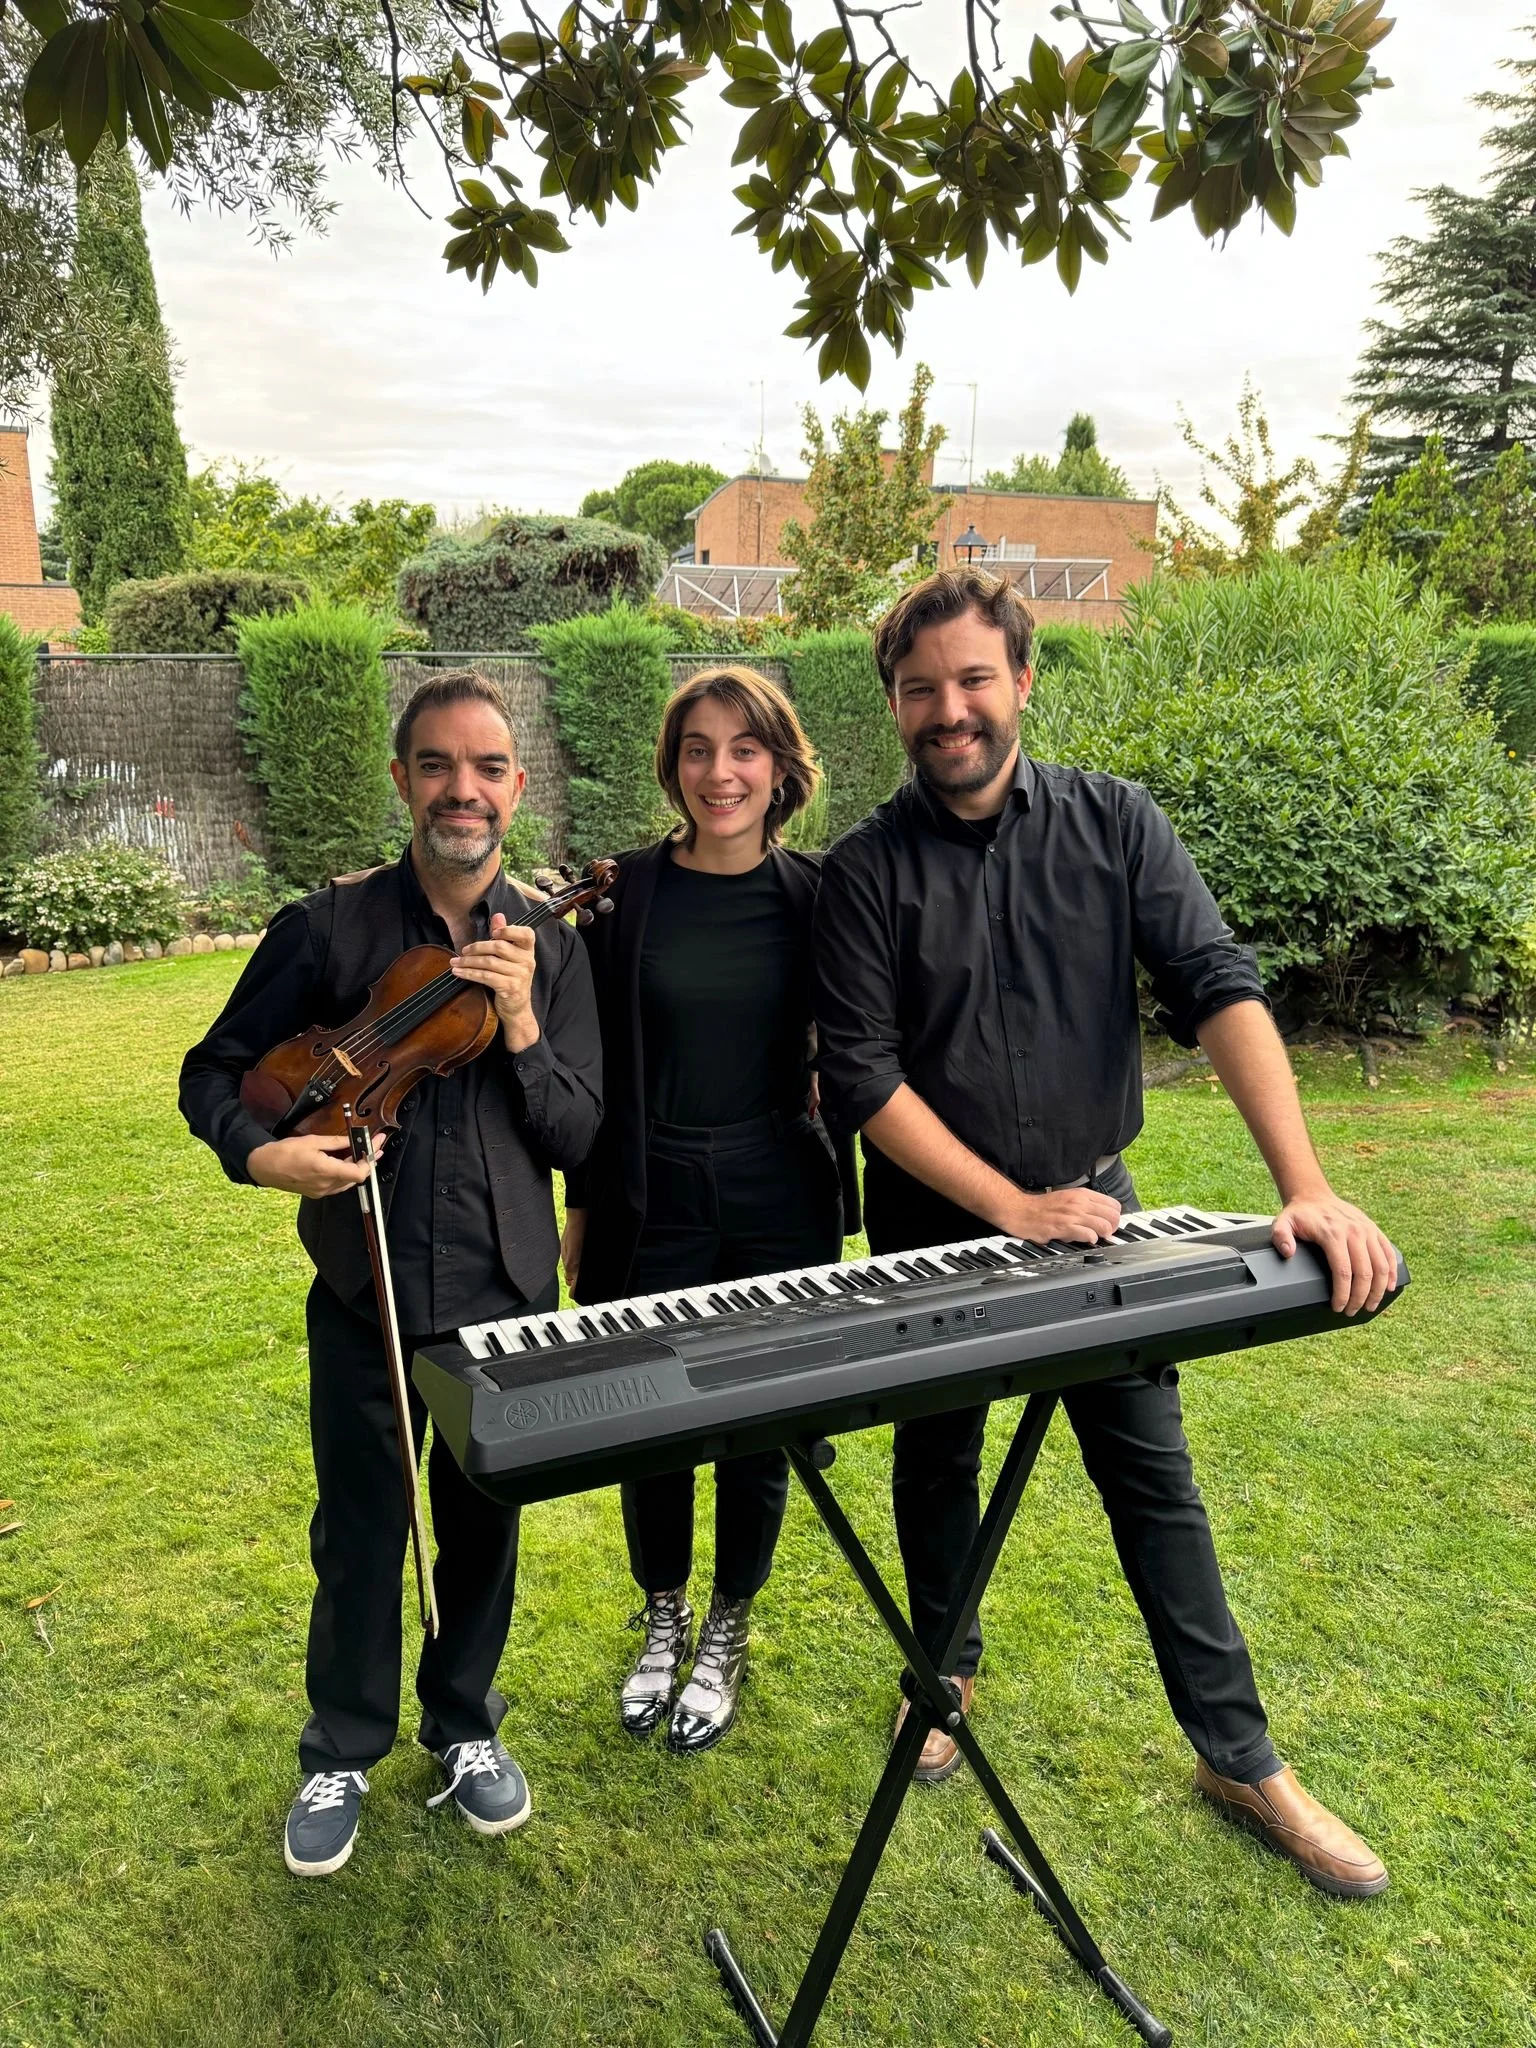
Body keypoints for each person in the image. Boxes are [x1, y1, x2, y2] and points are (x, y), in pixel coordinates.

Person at [812, 568, 1397, 1900]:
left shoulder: (1117, 825)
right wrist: (1006, 1210)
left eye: (972, 680)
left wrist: (1302, 1182)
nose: (949, 710)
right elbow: (862, 1078)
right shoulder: (861, 873)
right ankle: (941, 1680)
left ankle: (1240, 1758)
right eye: (921, 690)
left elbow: (1220, 988)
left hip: (1097, 1211)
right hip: (935, 1227)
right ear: (894, 705)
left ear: (1021, 681)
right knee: (937, 1459)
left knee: (1151, 1477)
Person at [180, 670, 602, 1877]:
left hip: (508, 1290)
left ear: (517, 787)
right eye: (436, 764)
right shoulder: (326, 929)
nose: (460, 789)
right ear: (403, 777)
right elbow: (219, 1073)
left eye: (485, 767)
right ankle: (344, 1743)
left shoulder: (551, 948)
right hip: (365, 1289)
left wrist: (519, 1023)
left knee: (481, 1523)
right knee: (363, 1525)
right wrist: (263, 1153)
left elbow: (579, 1132)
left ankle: (464, 1722)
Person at [562, 666, 856, 1755]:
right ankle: (664, 1606)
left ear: (781, 767)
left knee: (756, 1425)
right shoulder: (624, 892)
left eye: (744, 748)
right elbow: (595, 1069)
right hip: (655, 1185)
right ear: (673, 764)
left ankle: (730, 1618)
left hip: (782, 1184)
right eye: (697, 747)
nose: (719, 770)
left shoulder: (822, 893)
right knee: (654, 1415)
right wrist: (585, 1203)